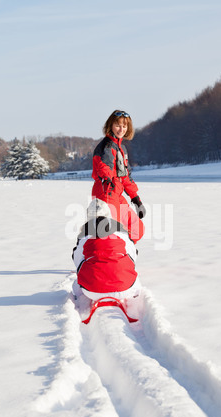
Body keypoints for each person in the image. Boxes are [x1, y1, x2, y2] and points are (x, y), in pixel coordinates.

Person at [91, 110, 146, 244]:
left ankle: (125, 253)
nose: (121, 129)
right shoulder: (107, 146)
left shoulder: (121, 148)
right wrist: (107, 178)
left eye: (124, 126)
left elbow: (125, 176)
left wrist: (136, 198)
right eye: (118, 125)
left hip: (117, 192)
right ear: (111, 125)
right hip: (106, 191)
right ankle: (104, 258)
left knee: (136, 228)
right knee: (110, 231)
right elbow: (105, 165)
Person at [72, 198, 141, 301]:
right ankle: (135, 294)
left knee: (81, 269)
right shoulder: (121, 231)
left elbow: (76, 259)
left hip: (91, 291)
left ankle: (79, 296)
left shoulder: (84, 234)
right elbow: (133, 255)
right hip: (124, 289)